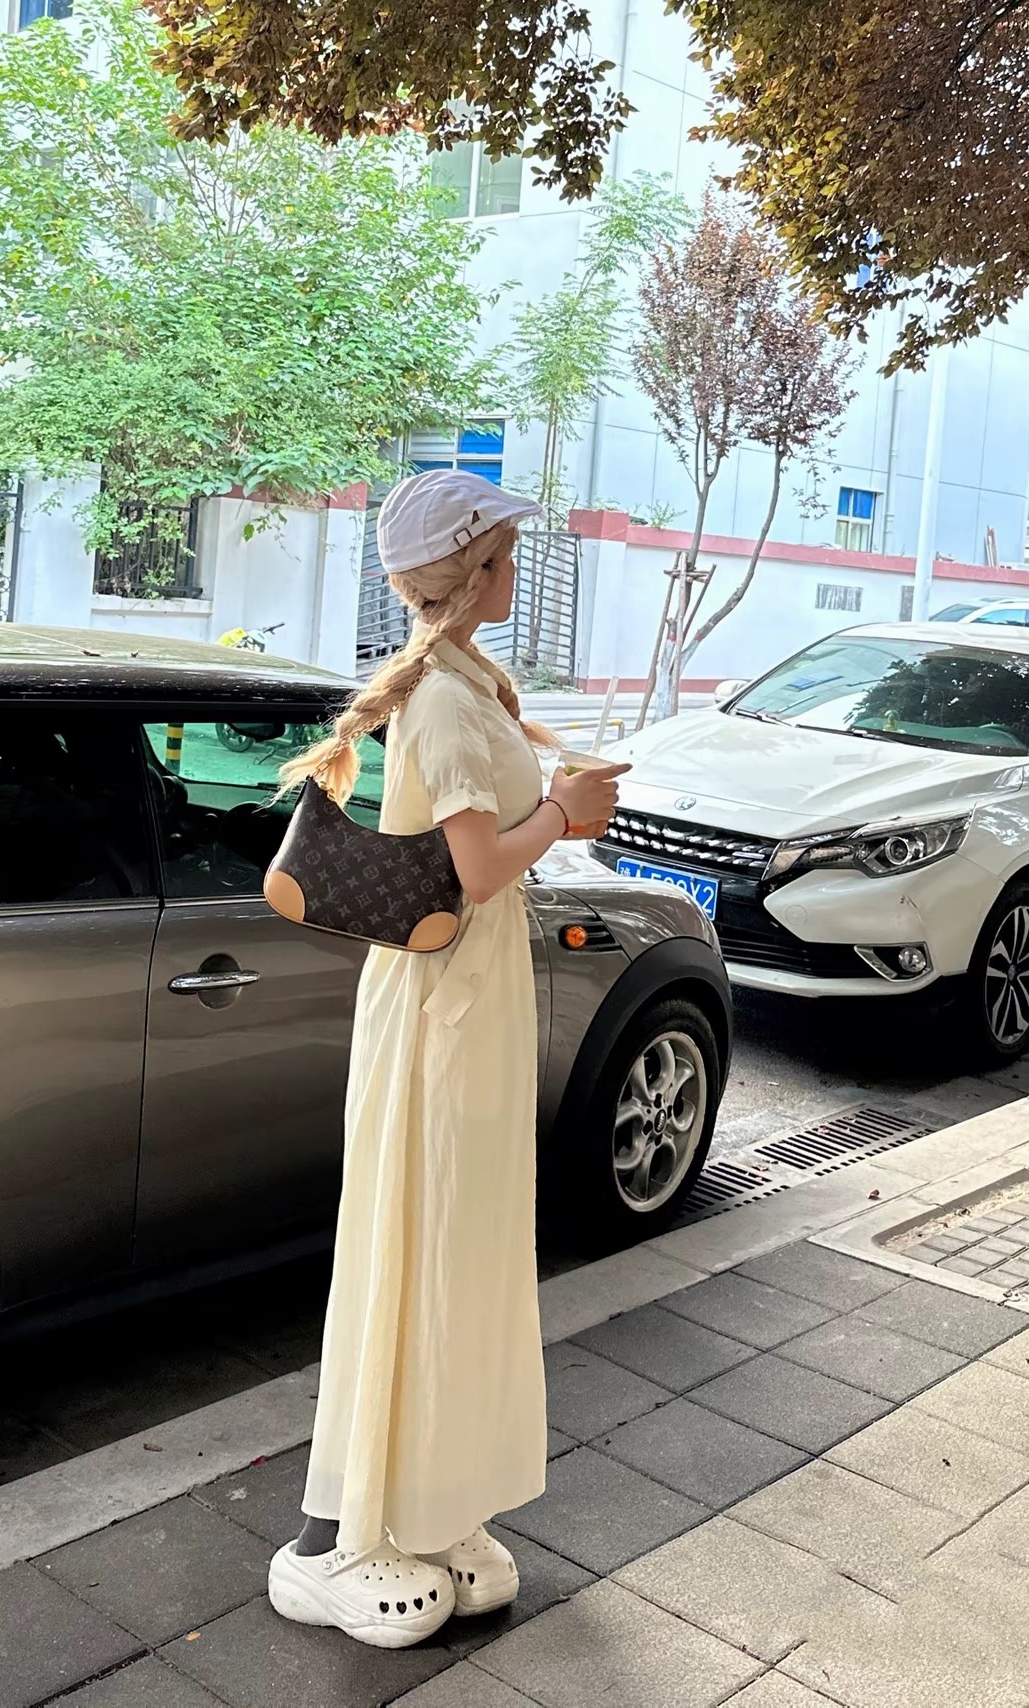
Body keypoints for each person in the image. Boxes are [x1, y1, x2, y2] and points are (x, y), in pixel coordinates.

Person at [267, 469, 626, 1649]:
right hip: (438, 1006)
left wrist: (558, 799)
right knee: (412, 1242)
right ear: (473, 571)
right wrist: (565, 814)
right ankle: (335, 1542)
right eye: (506, 552)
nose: (519, 567)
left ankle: (430, 1506)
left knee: (460, 1243)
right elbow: (474, 870)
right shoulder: (441, 701)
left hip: (471, 997)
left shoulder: (467, 681)